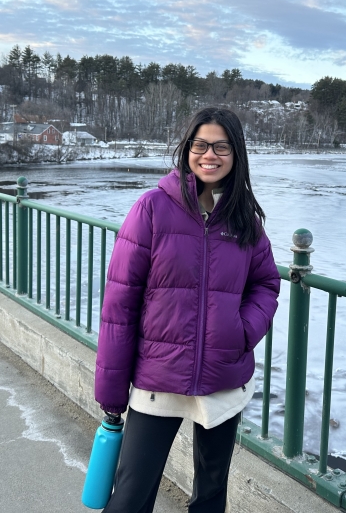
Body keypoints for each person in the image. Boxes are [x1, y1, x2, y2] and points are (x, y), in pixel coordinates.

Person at [94, 107, 280, 513]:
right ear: (187, 150)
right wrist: (111, 390)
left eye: (221, 146)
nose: (209, 154)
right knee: (129, 498)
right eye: (200, 144)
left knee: (211, 497)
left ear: (236, 155)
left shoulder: (244, 219)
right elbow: (119, 305)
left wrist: (242, 331)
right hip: (158, 376)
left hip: (223, 378)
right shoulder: (152, 209)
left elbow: (266, 283)